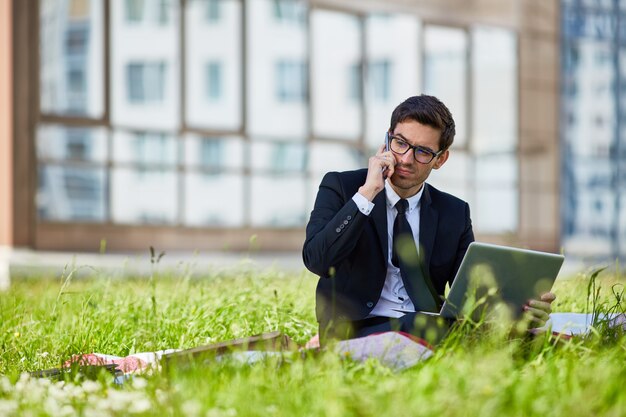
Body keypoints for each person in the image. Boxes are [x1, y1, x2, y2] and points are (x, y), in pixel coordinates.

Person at [302, 94, 555, 345]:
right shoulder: (342, 186)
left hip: (428, 327)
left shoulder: (454, 212)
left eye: (423, 151)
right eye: (400, 143)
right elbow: (317, 260)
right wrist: (368, 194)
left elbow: (469, 295)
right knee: (423, 326)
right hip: (353, 329)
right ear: (387, 139)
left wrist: (522, 312)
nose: (406, 159)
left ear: (440, 159)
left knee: (515, 335)